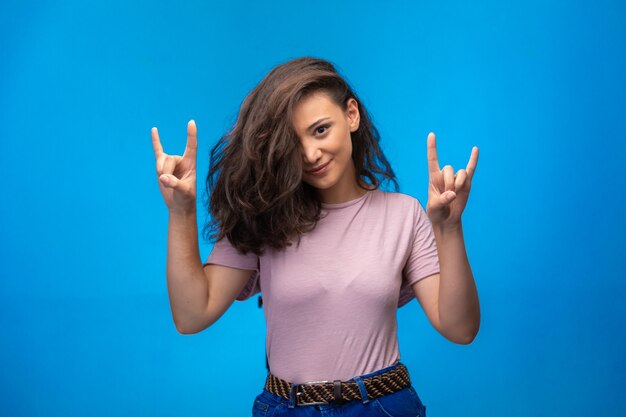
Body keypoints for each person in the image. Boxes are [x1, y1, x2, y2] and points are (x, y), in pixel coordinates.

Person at [151, 56, 480, 417]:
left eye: (321, 129)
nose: (310, 154)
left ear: (351, 115)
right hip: (287, 407)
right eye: (292, 142)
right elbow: (191, 315)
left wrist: (449, 228)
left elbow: (460, 328)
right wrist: (180, 211)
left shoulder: (404, 214)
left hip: (384, 406)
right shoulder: (264, 217)